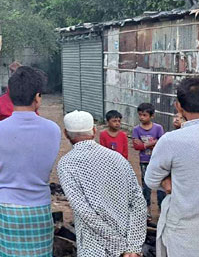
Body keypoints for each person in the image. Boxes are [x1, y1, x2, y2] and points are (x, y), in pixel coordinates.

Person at [0, 66, 61, 256]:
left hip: (8, 208)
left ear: (10, 94)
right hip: (39, 207)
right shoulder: (53, 130)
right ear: (38, 97)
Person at [57, 110, 146, 257]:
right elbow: (138, 202)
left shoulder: (66, 164)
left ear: (66, 134)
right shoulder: (117, 158)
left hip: (93, 248)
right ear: (94, 130)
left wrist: (120, 247)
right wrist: (132, 247)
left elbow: (85, 212)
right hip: (127, 245)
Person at [145, 77, 199, 257]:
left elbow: (151, 180)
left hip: (185, 234)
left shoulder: (172, 141)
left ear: (178, 106)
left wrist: (168, 180)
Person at [132, 102, 166, 217]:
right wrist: (152, 143)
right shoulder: (136, 129)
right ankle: (147, 210)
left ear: (152, 116)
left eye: (144, 115)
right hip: (144, 161)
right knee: (146, 185)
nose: (141, 117)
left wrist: (144, 144)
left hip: (157, 161)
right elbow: (137, 146)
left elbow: (162, 143)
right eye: (140, 115)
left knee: (161, 186)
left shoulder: (158, 128)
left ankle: (162, 209)